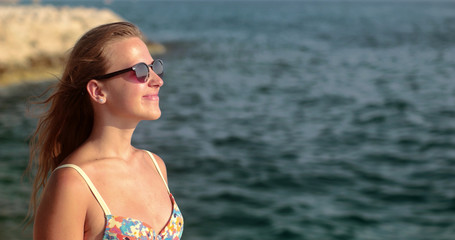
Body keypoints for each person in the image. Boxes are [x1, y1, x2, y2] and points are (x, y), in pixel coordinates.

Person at [27, 22, 184, 239]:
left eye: (154, 67)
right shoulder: (72, 183)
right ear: (98, 91)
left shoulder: (155, 165)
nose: (157, 81)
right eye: (140, 71)